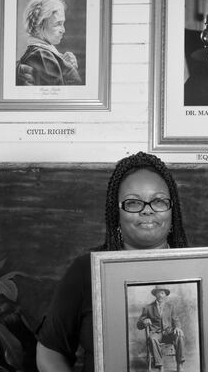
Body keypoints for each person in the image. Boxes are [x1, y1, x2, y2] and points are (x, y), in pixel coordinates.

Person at [36, 152, 189, 372]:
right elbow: (50, 351)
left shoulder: (200, 270)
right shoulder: (85, 271)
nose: (147, 210)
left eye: (158, 201)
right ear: (116, 214)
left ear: (171, 210)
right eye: (134, 203)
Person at [17, 0, 83, 86]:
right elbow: (59, 95)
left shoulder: (42, 53)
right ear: (40, 26)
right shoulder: (42, 56)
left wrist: (67, 66)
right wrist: (70, 71)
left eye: (63, 23)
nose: (63, 30)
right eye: (58, 24)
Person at [137, 287, 185, 371]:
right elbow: (139, 325)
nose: (160, 295)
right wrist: (144, 321)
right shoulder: (148, 308)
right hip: (156, 333)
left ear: (165, 295)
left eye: (162, 293)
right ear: (155, 295)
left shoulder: (170, 307)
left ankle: (179, 364)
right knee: (152, 338)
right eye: (158, 293)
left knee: (179, 335)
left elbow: (176, 320)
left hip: (168, 333)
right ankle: (160, 366)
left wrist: (177, 327)